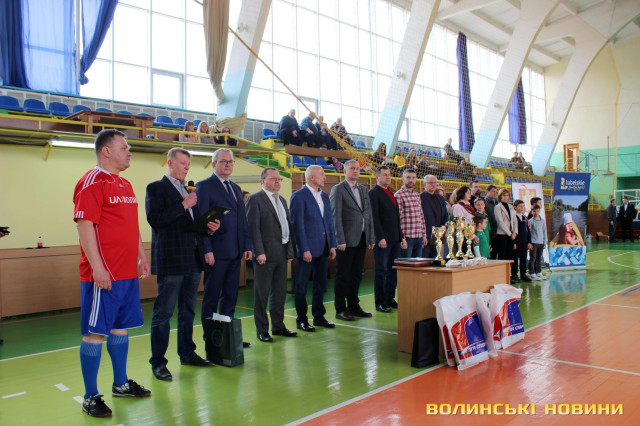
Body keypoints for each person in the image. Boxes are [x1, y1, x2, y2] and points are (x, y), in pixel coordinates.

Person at [73, 129, 151, 418]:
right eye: (124, 147)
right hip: (103, 275)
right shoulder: (92, 181)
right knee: (95, 333)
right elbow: (84, 225)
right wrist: (97, 267)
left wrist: (141, 255)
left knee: (121, 328)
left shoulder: (125, 184)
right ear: (106, 151)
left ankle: (121, 384)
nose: (129, 152)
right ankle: (90, 396)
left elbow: (131, 226)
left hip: (126, 273)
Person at [145, 148, 216, 381]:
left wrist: (209, 228)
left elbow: (192, 226)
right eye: (183, 162)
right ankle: (158, 362)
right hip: (171, 260)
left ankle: (187, 353)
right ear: (170, 163)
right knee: (164, 313)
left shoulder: (189, 191)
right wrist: (183, 205)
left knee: (188, 311)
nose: (187, 167)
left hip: (192, 259)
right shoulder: (156, 188)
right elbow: (155, 220)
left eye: (188, 163)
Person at [196, 149, 252, 345]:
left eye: (230, 161)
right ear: (214, 164)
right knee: (212, 298)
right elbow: (202, 222)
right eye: (223, 161)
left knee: (230, 296)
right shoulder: (204, 187)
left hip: (235, 251)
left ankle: (227, 337)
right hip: (216, 252)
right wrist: (207, 249)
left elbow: (242, 220)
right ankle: (211, 339)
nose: (228, 164)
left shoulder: (236, 188)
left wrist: (246, 244)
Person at [246, 168, 298, 342]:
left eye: (279, 179)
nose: (277, 182)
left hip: (282, 253)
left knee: (280, 293)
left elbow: (287, 227)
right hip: (265, 255)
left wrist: (289, 251)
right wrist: (259, 252)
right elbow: (253, 229)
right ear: (263, 181)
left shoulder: (282, 200)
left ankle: (278, 326)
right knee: (262, 294)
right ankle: (262, 330)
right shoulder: (255, 199)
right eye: (273, 178)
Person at [290, 165, 337, 331]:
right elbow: (297, 226)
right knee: (301, 286)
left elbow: (329, 222)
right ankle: (302, 319)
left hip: (323, 248)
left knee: (320, 285)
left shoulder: (324, 196)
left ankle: (319, 316)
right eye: (322, 174)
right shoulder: (298, 196)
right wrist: (304, 249)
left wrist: (332, 245)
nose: (325, 177)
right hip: (308, 250)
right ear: (311, 177)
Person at [330, 160, 376, 321]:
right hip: (346, 240)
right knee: (343, 275)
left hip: (361, 238)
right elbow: (335, 216)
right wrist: (339, 239)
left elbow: (368, 214)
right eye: (352, 168)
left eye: (357, 168)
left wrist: (370, 236)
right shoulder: (338, 189)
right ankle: (340, 309)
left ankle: (354, 306)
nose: (355, 171)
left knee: (356, 275)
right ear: (344, 170)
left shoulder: (363, 189)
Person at [369, 165, 407, 313]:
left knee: (393, 271)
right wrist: (380, 237)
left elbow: (397, 218)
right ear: (377, 177)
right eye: (385, 175)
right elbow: (374, 217)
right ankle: (380, 302)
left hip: (395, 239)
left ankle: (389, 298)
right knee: (381, 271)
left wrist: (401, 237)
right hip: (384, 240)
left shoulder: (390, 192)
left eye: (389, 174)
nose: (388, 177)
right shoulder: (373, 193)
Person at [395, 168, 427, 258]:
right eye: (408, 177)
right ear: (403, 179)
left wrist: (424, 235)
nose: (411, 180)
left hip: (418, 237)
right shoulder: (399, 195)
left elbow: (421, 216)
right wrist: (401, 238)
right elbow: (397, 219)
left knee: (417, 264)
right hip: (407, 237)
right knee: (406, 264)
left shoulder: (417, 195)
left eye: (413, 178)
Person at [420, 175, 449, 258]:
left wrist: (444, 226)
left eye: (435, 183)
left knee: (436, 261)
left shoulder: (440, 198)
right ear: (424, 184)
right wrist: (422, 235)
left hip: (439, 237)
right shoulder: (420, 197)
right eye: (430, 183)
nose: (433, 185)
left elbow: (446, 215)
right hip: (426, 238)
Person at [494, 188, 517, 278]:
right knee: (502, 255)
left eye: (507, 195)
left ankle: (508, 275)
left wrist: (514, 232)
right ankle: (501, 275)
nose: (506, 197)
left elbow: (515, 221)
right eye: (504, 195)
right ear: (500, 197)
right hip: (502, 235)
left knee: (509, 255)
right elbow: (500, 222)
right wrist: (509, 233)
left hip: (511, 235)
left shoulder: (511, 207)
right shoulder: (498, 207)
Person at [513, 200, 531, 282]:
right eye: (520, 206)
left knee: (523, 258)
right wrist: (514, 242)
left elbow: (528, 230)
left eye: (523, 206)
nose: (522, 208)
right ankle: (514, 274)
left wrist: (529, 241)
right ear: (515, 207)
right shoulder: (513, 217)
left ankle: (523, 274)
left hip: (524, 241)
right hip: (517, 241)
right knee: (515, 258)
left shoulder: (525, 218)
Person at [528, 204, 547, 280]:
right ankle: (532, 273)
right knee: (533, 258)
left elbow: (544, 231)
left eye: (537, 211)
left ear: (539, 211)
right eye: (534, 211)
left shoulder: (542, 221)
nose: (536, 213)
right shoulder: (530, 221)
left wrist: (544, 242)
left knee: (539, 258)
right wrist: (529, 242)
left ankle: (538, 272)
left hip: (541, 242)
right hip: (533, 242)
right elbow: (529, 232)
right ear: (532, 211)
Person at [484, 185, 499, 258]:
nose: (495, 193)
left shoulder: (496, 203)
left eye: (496, 192)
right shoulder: (484, 203)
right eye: (493, 191)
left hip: (496, 232)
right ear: (487, 191)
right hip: (489, 232)